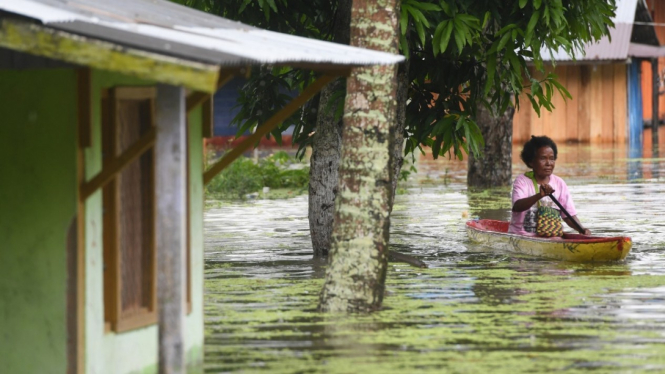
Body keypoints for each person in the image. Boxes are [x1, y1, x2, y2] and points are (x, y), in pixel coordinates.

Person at [508, 135, 591, 236]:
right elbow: (517, 206)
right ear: (531, 162)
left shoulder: (559, 183)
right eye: (543, 158)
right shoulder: (522, 181)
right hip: (521, 235)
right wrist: (539, 195)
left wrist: (581, 229)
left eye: (551, 159)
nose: (548, 163)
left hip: (551, 237)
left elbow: (568, 215)